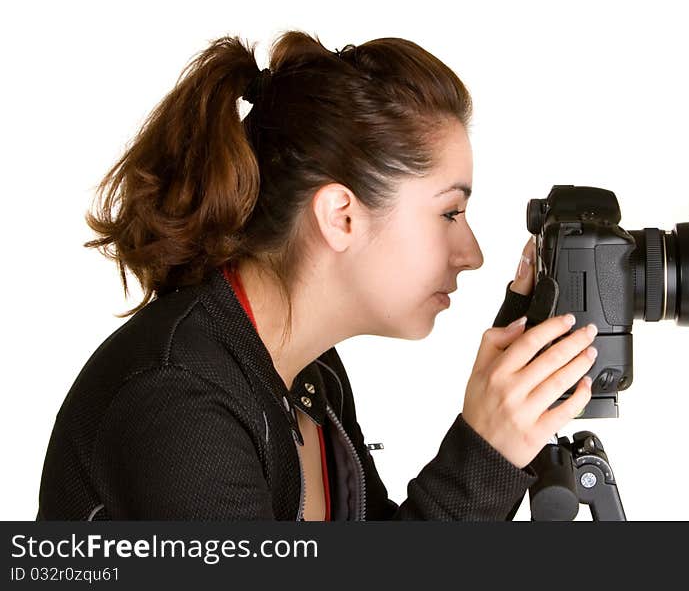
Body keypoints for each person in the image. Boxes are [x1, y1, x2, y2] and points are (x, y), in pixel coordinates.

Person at [36, 31, 599, 520]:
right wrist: (483, 455)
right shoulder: (180, 402)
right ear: (341, 216)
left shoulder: (311, 377)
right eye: (449, 213)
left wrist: (504, 422)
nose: (471, 253)